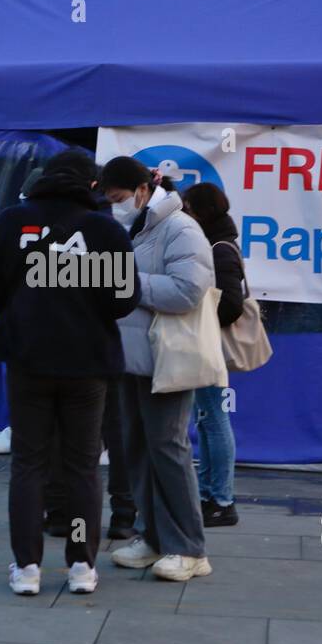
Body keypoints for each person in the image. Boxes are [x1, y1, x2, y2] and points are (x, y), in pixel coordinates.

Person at [0, 149, 140, 596]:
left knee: (28, 463)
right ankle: (81, 567)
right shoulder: (104, 229)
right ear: (92, 185)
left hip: (27, 358)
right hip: (87, 363)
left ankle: (27, 566)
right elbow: (124, 299)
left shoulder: (11, 222)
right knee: (82, 466)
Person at [100, 156, 214, 582]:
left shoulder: (181, 228)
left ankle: (189, 547)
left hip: (165, 359)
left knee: (168, 449)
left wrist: (127, 284)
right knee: (136, 449)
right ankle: (153, 537)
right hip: (132, 358)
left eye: (119, 198)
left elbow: (188, 290)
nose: (116, 206)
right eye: (110, 200)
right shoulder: (135, 227)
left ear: (144, 190)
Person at [182, 182, 245, 527]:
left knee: (215, 421)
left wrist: (199, 319)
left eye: (189, 207)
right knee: (207, 421)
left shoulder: (218, 248)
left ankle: (221, 499)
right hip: (207, 345)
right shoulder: (217, 243)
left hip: (210, 346)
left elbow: (231, 305)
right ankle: (212, 496)